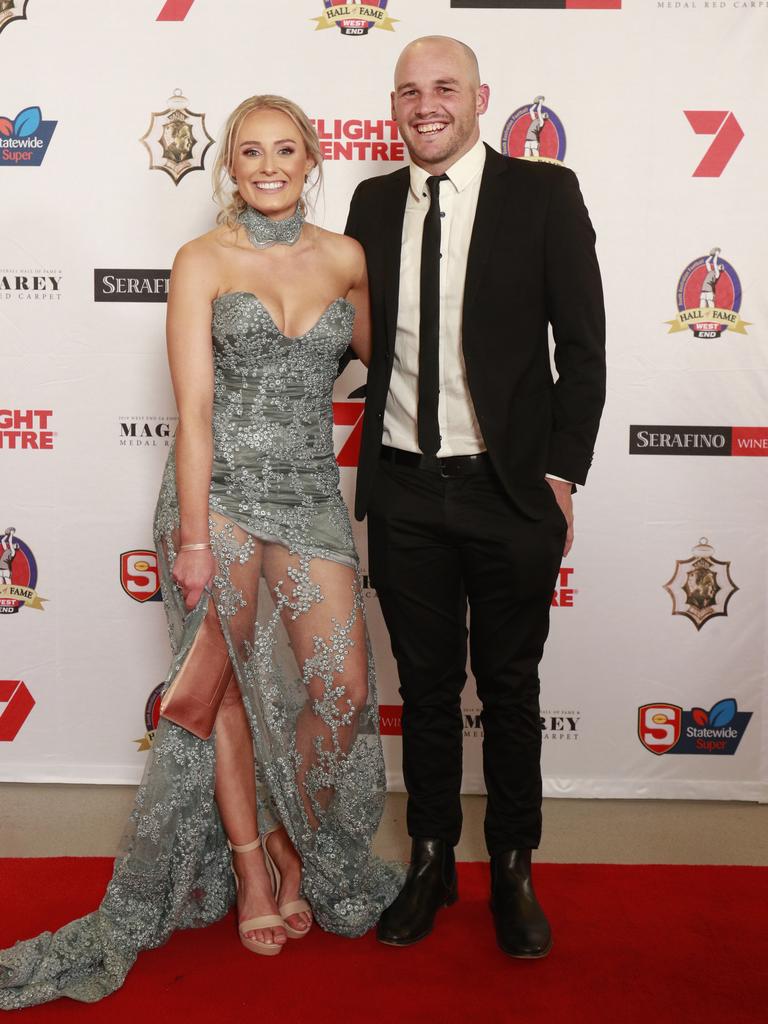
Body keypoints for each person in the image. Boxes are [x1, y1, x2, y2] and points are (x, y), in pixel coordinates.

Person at [0, 94, 402, 1009]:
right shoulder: (201, 260)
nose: (268, 166)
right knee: (217, 692)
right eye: (250, 151)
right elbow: (192, 412)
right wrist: (189, 538)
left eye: (286, 150)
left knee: (337, 686)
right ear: (231, 165)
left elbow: (390, 364)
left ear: (312, 160)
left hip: (309, 498)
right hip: (215, 498)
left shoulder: (346, 258)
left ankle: (301, 838)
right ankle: (254, 869)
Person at [345, 37, 605, 957]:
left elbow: (583, 349)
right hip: (406, 487)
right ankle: (429, 859)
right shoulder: (371, 204)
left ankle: (512, 868)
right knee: (421, 690)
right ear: (394, 106)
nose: (427, 105)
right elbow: (352, 334)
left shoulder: (544, 194)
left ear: (480, 98)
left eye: (444, 88)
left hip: (508, 492)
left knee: (509, 689)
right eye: (410, 91)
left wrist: (560, 474)